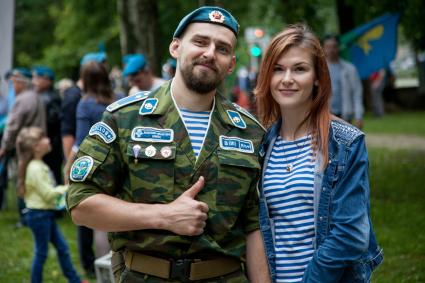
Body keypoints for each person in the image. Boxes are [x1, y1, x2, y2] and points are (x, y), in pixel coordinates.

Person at [67, 6, 270, 283]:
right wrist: (163, 216)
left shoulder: (250, 133)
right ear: (176, 47)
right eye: (200, 41)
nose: (210, 53)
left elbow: (255, 227)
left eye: (222, 49)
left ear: (231, 63)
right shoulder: (125, 118)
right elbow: (81, 203)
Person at [254, 24, 383, 282]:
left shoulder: (344, 142)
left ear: (316, 77)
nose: (287, 78)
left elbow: (351, 233)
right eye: (278, 69)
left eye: (299, 69)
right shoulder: (262, 144)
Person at [16, 127, 82, 283]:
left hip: (45, 214)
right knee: (41, 253)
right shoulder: (35, 169)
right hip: (39, 215)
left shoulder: (39, 165)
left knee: (62, 249)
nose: (48, 140)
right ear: (36, 147)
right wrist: (69, 187)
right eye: (43, 138)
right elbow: (48, 194)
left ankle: (75, 280)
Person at [0, 68, 46, 227]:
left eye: (13, 82)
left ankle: (25, 218)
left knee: (21, 180)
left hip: (24, 146)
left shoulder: (22, 99)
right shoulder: (36, 96)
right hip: (37, 144)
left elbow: (12, 127)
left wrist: (4, 146)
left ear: (21, 82)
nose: (13, 86)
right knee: (32, 180)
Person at [322, 35, 364, 129]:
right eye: (328, 47)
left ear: (338, 48)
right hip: (325, 114)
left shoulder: (350, 69)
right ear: (323, 48)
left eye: (334, 47)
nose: (331, 50)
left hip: (345, 115)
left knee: (344, 143)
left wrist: (359, 116)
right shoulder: (319, 69)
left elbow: (357, 93)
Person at [32, 66, 63, 185]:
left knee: (52, 177)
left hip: (51, 145)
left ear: (48, 80)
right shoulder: (43, 96)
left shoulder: (51, 97)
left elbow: (52, 121)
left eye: (37, 78)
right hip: (48, 143)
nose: (34, 81)